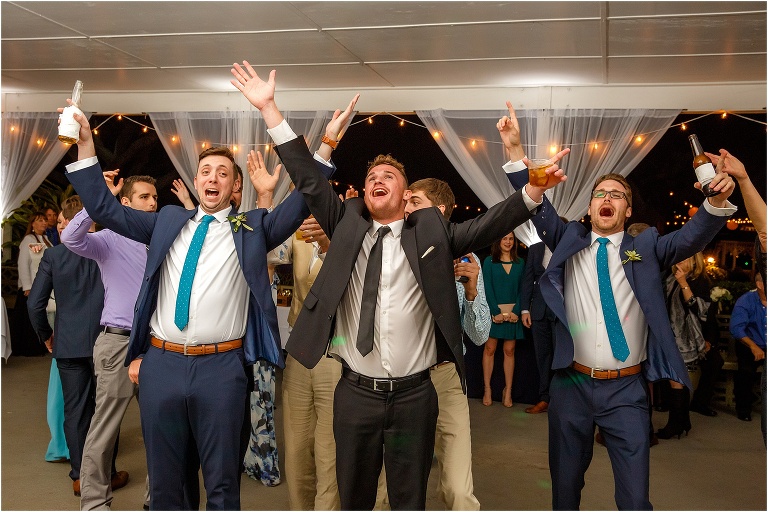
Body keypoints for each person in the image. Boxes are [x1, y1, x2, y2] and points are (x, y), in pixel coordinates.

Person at [230, 62, 560, 509]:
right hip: (354, 392)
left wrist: (533, 191)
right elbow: (308, 177)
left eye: (387, 176)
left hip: (414, 395)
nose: (375, 181)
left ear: (406, 196)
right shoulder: (345, 223)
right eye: (370, 178)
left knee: (407, 498)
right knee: (356, 497)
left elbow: (491, 223)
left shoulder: (432, 232)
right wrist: (270, 110)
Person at [60, 100, 330, 510]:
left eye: (223, 173)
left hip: (222, 370)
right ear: (195, 179)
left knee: (222, 485)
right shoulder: (168, 220)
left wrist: (325, 146)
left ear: (234, 188)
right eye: (206, 171)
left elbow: (305, 197)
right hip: (162, 365)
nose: (213, 177)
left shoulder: (252, 229)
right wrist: (85, 146)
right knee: (167, 486)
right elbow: (103, 209)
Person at [498, 101, 736, 509]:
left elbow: (692, 237)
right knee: (565, 491)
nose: (606, 198)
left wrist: (714, 203)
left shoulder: (645, 247)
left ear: (627, 208)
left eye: (617, 194)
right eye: (599, 194)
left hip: (626, 390)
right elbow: (534, 202)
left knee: (634, 498)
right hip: (570, 384)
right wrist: (514, 148)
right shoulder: (568, 239)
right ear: (590, 208)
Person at [60, 173, 158, 509]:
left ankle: (154, 500)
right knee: (105, 428)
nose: (152, 203)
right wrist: (97, 199)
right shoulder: (109, 238)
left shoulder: (160, 239)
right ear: (126, 203)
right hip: (117, 344)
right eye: (144, 197)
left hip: (157, 347)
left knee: (159, 428)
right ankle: (94, 502)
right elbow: (70, 239)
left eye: (154, 197)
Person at [403, 177, 489, 510]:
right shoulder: (395, 250)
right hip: (403, 381)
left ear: (439, 212)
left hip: (446, 378)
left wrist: (471, 291)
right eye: (406, 201)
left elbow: (480, 335)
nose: (406, 207)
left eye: (415, 202)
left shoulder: (467, 257)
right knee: (393, 488)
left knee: (458, 490)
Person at [26, 196, 106, 496]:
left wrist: (46, 335)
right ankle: (105, 473)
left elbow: (34, 305)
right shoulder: (106, 251)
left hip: (68, 344)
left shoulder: (54, 256)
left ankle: (79, 476)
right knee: (104, 411)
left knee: (75, 412)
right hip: (105, 342)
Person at [657, 252, 720, 439]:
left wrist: (684, 283)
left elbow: (700, 309)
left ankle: (675, 425)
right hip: (669, 334)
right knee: (677, 379)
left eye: (684, 258)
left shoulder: (699, 280)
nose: (679, 262)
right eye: (677, 258)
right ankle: (683, 422)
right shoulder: (669, 278)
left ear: (695, 261)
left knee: (676, 380)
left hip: (686, 338)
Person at [481, 232, 525, 408]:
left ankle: (508, 390)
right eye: (504, 238)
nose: (508, 242)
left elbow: (524, 288)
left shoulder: (520, 263)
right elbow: (486, 287)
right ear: (498, 241)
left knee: (509, 350)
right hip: (495, 314)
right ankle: (487, 389)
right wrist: (494, 311)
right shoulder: (489, 262)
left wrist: (517, 311)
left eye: (511, 239)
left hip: (513, 314)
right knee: (490, 349)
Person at [520, 240, 557, 414]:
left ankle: (560, 401)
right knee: (542, 358)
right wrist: (525, 309)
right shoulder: (535, 249)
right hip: (539, 312)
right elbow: (528, 279)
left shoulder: (566, 246)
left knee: (561, 359)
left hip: (561, 313)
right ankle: (544, 399)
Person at [13, 211, 52, 357]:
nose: (44, 223)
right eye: (40, 220)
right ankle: (28, 348)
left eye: (44, 220)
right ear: (33, 224)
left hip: (42, 284)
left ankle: (40, 345)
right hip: (30, 286)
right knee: (28, 319)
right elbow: (23, 264)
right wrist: (27, 286)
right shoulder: (28, 239)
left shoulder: (47, 239)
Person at [730, 272, 766, 422]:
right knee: (745, 371)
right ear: (760, 284)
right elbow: (736, 328)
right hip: (751, 343)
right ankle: (743, 408)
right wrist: (753, 346)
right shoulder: (746, 300)